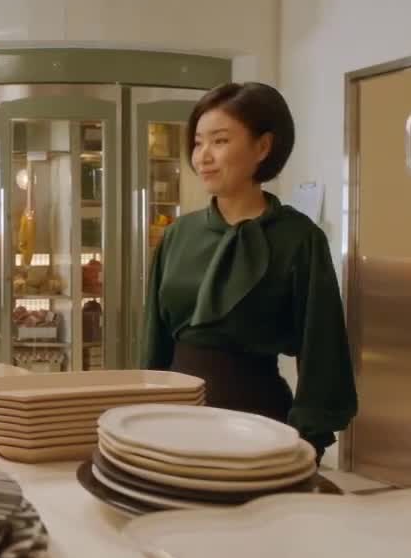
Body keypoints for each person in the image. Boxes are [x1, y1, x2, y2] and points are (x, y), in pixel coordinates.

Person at [142, 82, 357, 463]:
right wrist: (143, 413)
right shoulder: (179, 235)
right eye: (198, 143)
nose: (203, 156)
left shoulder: (299, 238)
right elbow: (153, 342)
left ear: (262, 147)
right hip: (175, 422)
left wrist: (310, 440)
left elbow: (322, 349)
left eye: (220, 141)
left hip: (259, 426)